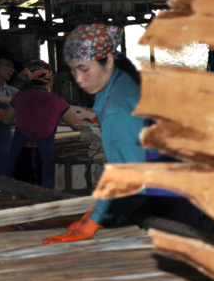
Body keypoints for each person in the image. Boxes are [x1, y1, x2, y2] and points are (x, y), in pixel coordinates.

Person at [44, 24, 147, 244]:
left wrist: (93, 223)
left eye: (84, 69)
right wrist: (95, 212)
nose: (78, 79)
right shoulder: (118, 87)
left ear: (108, 61)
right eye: (73, 71)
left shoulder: (118, 107)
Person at [5, 60, 86, 188]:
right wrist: (93, 121)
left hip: (19, 153)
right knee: (42, 193)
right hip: (42, 154)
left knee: (18, 192)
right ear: (51, 79)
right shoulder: (57, 101)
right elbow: (77, 125)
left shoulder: (19, 97)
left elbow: (6, 120)